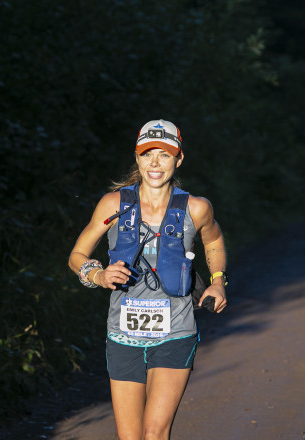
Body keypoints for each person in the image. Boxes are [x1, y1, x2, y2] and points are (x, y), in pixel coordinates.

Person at [68, 119, 228, 439]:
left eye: (164, 154)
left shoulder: (196, 208)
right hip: (123, 336)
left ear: (178, 159)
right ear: (137, 158)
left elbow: (214, 242)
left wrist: (218, 280)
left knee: (154, 433)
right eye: (148, 154)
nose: (155, 162)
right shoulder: (113, 205)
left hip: (175, 333)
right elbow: (77, 256)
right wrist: (98, 275)